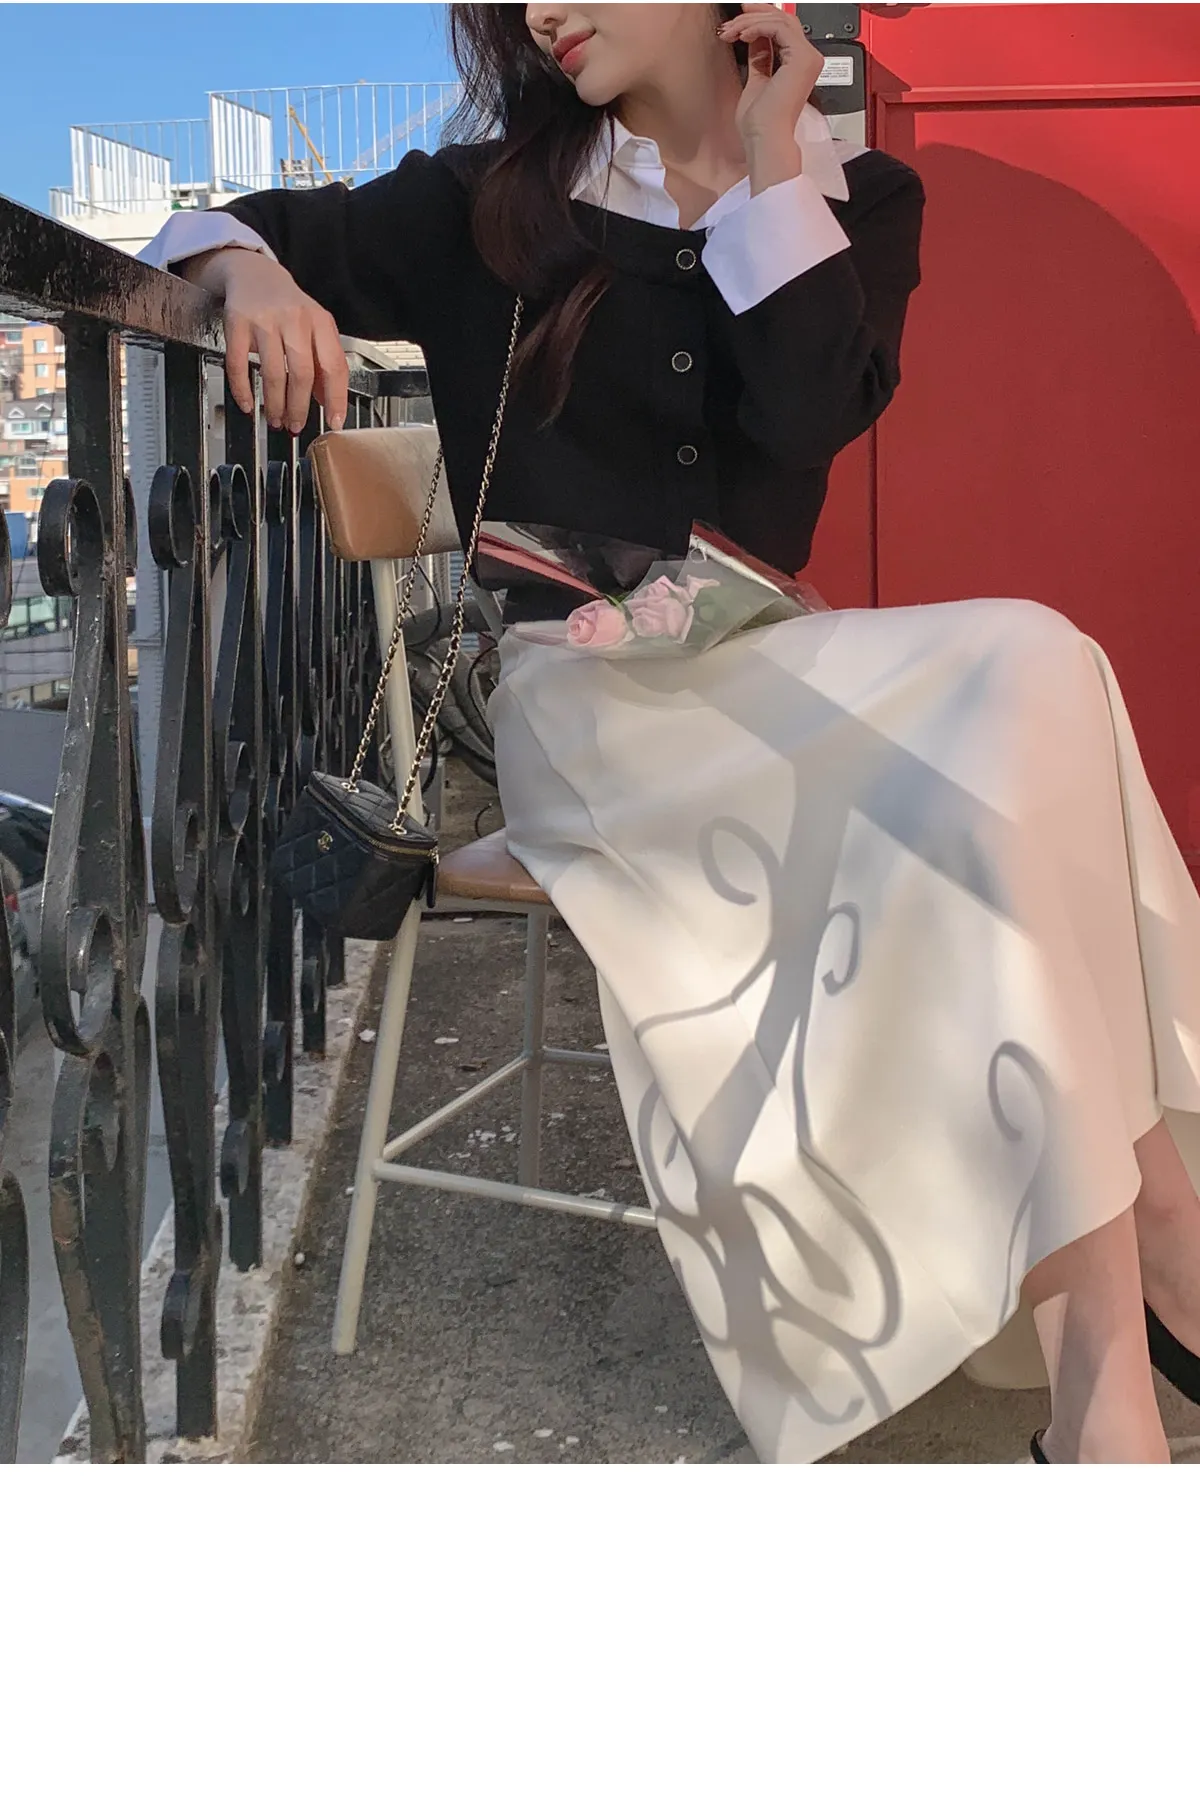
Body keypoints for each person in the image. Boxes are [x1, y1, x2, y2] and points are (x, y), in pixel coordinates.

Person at [143, 3, 1200, 1465]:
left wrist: (770, 159)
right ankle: (1157, 1248)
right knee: (1022, 697)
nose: (541, 13)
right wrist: (251, 270)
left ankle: (1107, 1378)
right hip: (590, 712)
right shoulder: (485, 200)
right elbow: (194, 228)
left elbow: (809, 413)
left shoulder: (855, 195)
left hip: (763, 669)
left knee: (1036, 670)